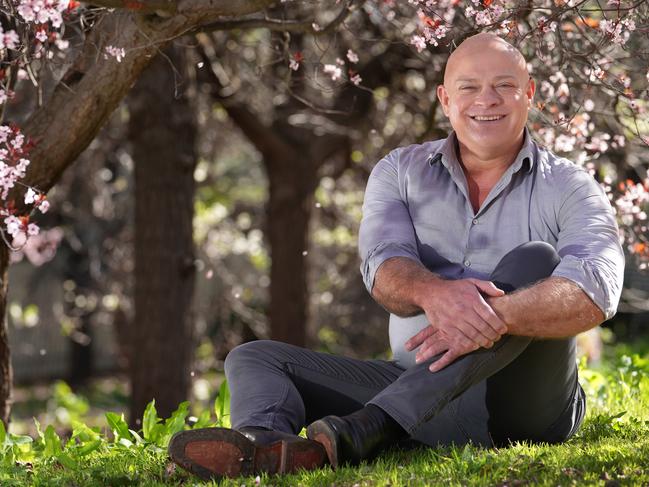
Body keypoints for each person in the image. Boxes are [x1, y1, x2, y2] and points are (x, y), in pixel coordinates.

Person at [168, 33, 624, 481]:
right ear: (446, 99)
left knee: (536, 261)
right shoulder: (401, 172)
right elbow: (383, 267)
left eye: (504, 85)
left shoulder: (569, 186)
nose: (487, 99)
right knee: (254, 357)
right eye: (469, 86)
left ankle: (373, 427)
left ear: (529, 94)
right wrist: (435, 294)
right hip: (416, 398)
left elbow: (596, 288)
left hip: (522, 410)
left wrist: (491, 317)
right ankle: (263, 450)